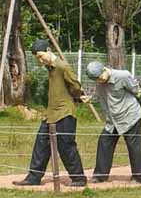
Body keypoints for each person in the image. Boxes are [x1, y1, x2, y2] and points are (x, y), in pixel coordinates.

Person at [13, 39, 87, 187]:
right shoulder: (51, 68)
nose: (40, 61)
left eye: (41, 56)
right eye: (37, 59)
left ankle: (79, 178)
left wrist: (78, 97)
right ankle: (33, 178)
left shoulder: (62, 66)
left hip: (65, 113)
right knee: (41, 144)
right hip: (50, 114)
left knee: (66, 146)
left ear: (48, 50)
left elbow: (75, 85)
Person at [84, 62, 141, 184]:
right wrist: (90, 98)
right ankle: (100, 176)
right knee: (104, 142)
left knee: (134, 147)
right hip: (112, 120)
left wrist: (139, 92)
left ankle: (138, 178)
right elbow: (101, 96)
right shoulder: (99, 82)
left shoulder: (123, 76)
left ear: (104, 69)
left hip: (129, 116)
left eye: (100, 77)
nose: (100, 80)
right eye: (96, 79)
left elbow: (135, 90)